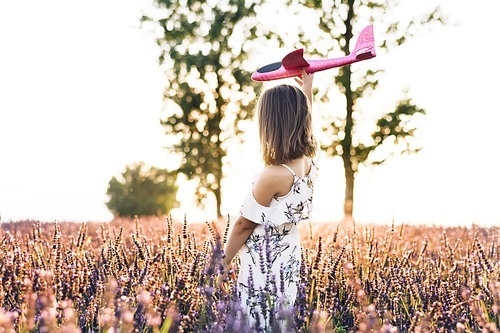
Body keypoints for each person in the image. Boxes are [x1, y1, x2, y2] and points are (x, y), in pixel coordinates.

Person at [221, 70, 318, 330]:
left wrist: (222, 263)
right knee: (279, 320)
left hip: (262, 268)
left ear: (269, 125)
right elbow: (308, 127)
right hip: (288, 258)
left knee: (257, 321)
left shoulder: (272, 176)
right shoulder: (307, 164)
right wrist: (307, 91)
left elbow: (244, 224)